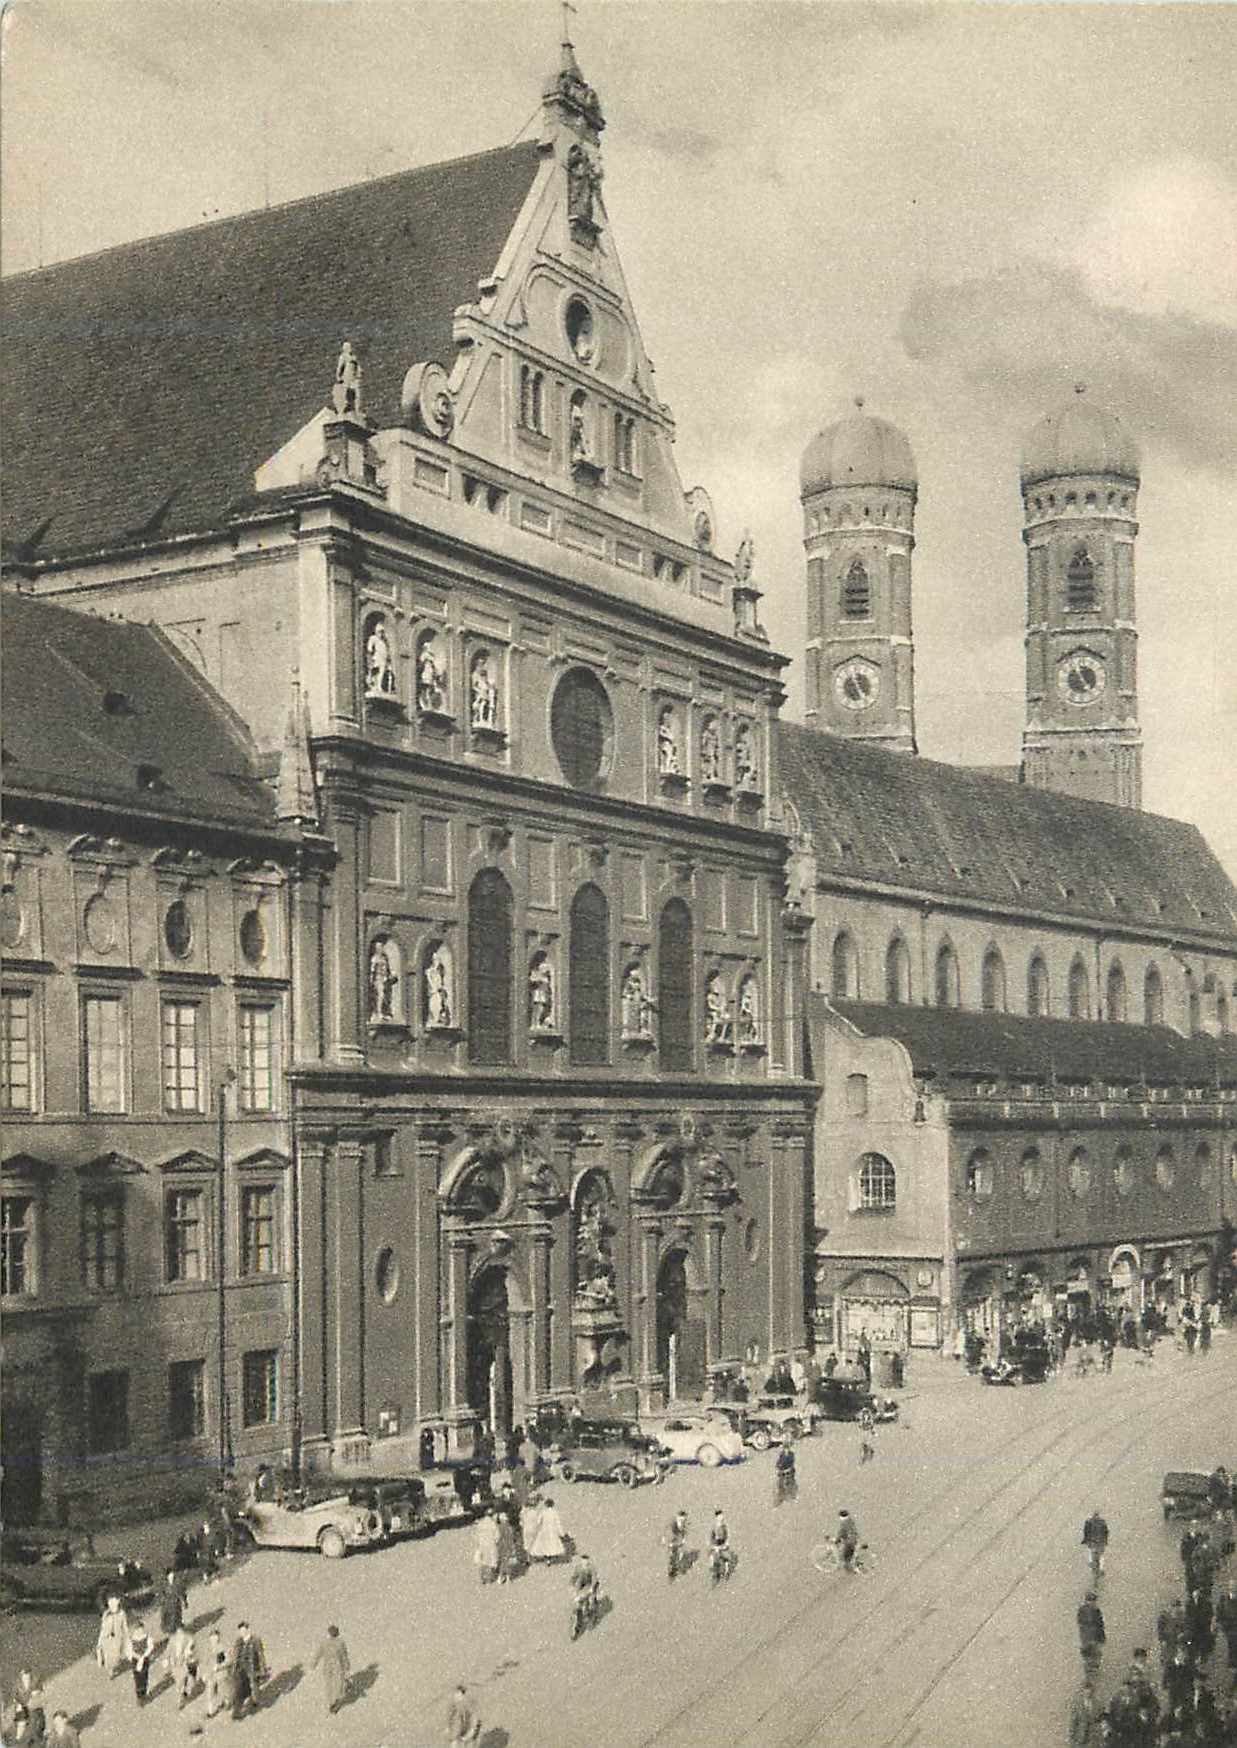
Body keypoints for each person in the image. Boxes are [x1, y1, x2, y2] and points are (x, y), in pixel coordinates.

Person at [230, 1620, 270, 1721]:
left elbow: (260, 1655)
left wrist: (263, 1668)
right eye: (240, 1631)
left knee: (254, 1688)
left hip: (252, 1668)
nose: (242, 1633)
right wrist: (234, 1669)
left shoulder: (255, 1640)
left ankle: (254, 1703)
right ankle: (237, 1713)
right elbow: (235, 1656)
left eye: (244, 1630)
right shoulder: (238, 1642)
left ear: (248, 1630)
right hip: (241, 1669)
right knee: (239, 1690)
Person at [310, 1624, 350, 1716]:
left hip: (331, 1667)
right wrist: (347, 1665)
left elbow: (318, 1653)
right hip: (335, 1667)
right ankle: (333, 1702)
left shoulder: (327, 1642)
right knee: (335, 1685)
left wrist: (314, 1663)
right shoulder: (338, 1643)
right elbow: (344, 1656)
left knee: (332, 1685)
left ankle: (332, 1702)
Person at [95, 1593, 133, 1678]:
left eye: (114, 1600)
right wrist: (100, 1640)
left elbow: (124, 1625)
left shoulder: (122, 1613)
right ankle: (110, 1671)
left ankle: (115, 1665)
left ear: (118, 1601)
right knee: (108, 1655)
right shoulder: (106, 1614)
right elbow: (103, 1627)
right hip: (107, 1638)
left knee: (116, 1655)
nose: (112, 1603)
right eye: (110, 1601)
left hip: (117, 1637)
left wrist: (127, 1635)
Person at [164, 1622, 198, 1710]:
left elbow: (193, 1648)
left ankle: (186, 1691)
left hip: (187, 1663)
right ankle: (180, 1702)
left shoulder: (189, 1638)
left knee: (191, 1680)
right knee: (179, 1683)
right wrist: (166, 1662)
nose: (180, 1633)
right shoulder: (172, 1640)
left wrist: (189, 1651)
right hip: (176, 1665)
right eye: (178, 1631)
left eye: (181, 1631)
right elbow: (168, 1651)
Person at [9, 1669, 46, 1744]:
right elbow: (16, 1699)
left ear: (30, 1675)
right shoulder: (18, 1687)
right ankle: (20, 1737)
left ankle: (35, 1738)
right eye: (23, 1676)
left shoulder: (35, 1683)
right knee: (21, 1717)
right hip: (24, 1709)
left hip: (35, 1709)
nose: (25, 1678)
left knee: (35, 1720)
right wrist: (19, 1706)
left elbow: (36, 1697)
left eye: (27, 1675)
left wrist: (27, 1704)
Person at [527, 1494, 567, 1563]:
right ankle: (550, 1558)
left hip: (544, 1530)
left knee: (545, 1544)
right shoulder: (555, 1513)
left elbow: (538, 1521)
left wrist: (536, 1527)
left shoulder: (543, 1512)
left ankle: (547, 1558)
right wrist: (561, 1533)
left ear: (546, 1505)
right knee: (552, 1543)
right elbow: (558, 1523)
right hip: (552, 1530)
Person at [1077, 1591, 1105, 1675]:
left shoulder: (1096, 1610)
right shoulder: (1083, 1610)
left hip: (1093, 1635)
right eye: (1091, 1601)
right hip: (1088, 1636)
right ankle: (1090, 1667)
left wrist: (1102, 1636)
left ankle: (1093, 1667)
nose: (1092, 1603)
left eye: (1093, 1601)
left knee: (1094, 1651)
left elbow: (1100, 1624)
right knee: (1089, 1651)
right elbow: (1081, 1623)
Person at [203, 1628, 230, 1718]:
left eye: (215, 1637)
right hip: (211, 1675)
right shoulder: (207, 1650)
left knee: (222, 1690)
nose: (214, 1639)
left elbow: (229, 1660)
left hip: (221, 1674)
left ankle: (226, 1702)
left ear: (218, 1637)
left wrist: (220, 1666)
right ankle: (210, 1712)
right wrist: (204, 1673)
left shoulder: (223, 1648)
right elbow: (204, 1663)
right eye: (212, 1637)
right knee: (209, 1692)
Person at [472, 1507, 500, 1584]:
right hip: (491, 1545)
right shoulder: (493, 1524)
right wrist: (496, 1543)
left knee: (482, 1562)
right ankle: (489, 1579)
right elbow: (497, 1536)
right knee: (490, 1562)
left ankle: (481, 1578)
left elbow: (476, 1535)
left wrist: (478, 1543)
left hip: (481, 1545)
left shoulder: (480, 1523)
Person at [130, 1621, 154, 1705]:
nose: (140, 1632)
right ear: (135, 1630)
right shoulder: (131, 1639)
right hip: (135, 1660)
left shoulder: (147, 1637)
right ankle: (139, 1697)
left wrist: (144, 1656)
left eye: (141, 1629)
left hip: (144, 1659)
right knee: (137, 1678)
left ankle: (143, 1694)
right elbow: (129, 1650)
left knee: (144, 1676)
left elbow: (150, 1647)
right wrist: (137, 1656)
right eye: (137, 1630)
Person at [1082, 1508, 1110, 1579]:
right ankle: (1101, 1568)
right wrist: (1105, 1540)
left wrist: (1085, 1540)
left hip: (1093, 1541)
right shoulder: (1102, 1522)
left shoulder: (1088, 1522)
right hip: (1101, 1541)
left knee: (1092, 1553)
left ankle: (1092, 1564)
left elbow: (1086, 1532)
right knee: (1101, 1555)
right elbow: (1106, 1531)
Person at [159, 1567, 186, 1636]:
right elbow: (161, 1593)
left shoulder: (177, 1582)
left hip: (176, 1603)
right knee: (169, 1618)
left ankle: (177, 1630)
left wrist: (184, 1601)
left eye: (172, 1574)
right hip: (167, 1604)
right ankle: (171, 1632)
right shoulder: (164, 1584)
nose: (172, 1575)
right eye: (170, 1574)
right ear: (167, 1576)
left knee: (177, 1616)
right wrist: (163, 1600)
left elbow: (182, 1592)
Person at [666, 1509, 689, 1580]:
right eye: (682, 1519)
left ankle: (677, 1567)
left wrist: (683, 1540)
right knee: (672, 1557)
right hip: (672, 1543)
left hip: (678, 1542)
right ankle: (671, 1572)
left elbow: (683, 1532)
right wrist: (672, 1543)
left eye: (684, 1520)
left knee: (679, 1556)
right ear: (678, 1517)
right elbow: (670, 1536)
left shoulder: (683, 1524)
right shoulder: (672, 1525)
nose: (683, 1521)